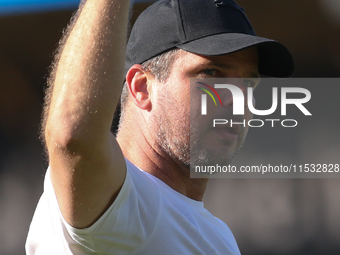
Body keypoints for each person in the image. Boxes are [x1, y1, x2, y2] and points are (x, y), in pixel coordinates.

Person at [26, 0, 294, 254]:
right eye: (211, 73)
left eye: (248, 83)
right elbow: (73, 134)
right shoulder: (128, 203)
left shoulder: (219, 236)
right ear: (142, 87)